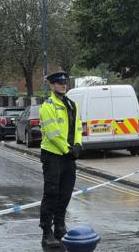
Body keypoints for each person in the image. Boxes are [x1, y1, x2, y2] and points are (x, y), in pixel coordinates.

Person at [39, 71, 83, 248]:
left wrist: (78, 144)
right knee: (51, 193)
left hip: (68, 155)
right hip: (53, 155)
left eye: (64, 82)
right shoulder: (47, 106)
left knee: (65, 192)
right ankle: (46, 232)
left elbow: (78, 125)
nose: (63, 85)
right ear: (52, 85)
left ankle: (59, 226)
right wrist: (68, 150)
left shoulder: (72, 105)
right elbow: (53, 134)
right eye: (59, 83)